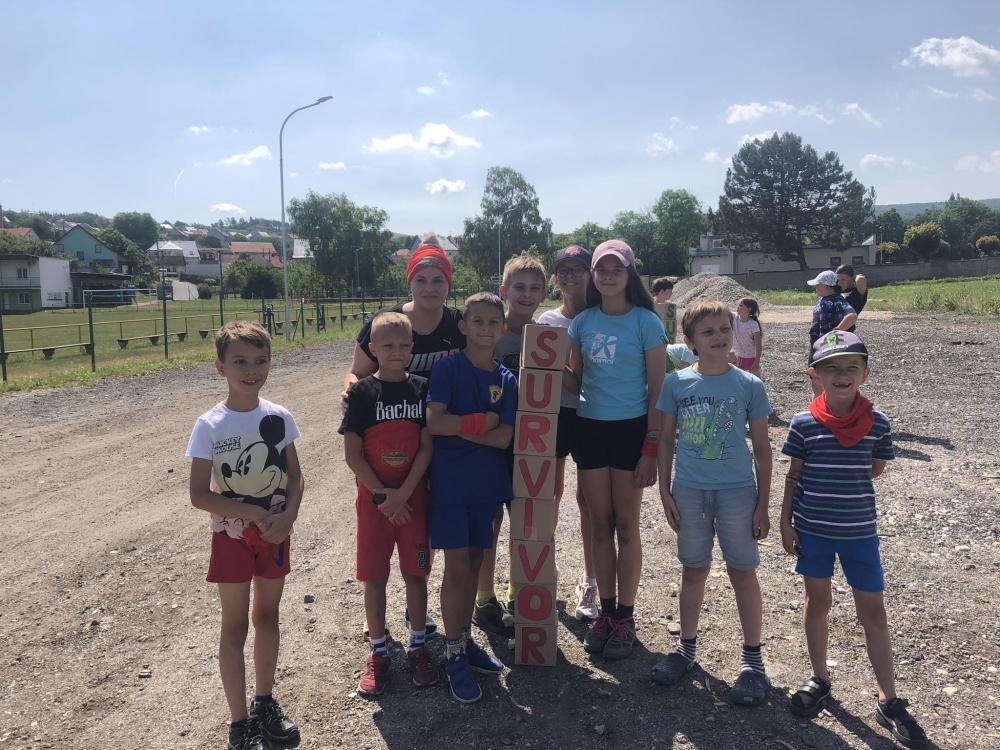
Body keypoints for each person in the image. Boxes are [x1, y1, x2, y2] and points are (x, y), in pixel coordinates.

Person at [779, 331, 928, 748]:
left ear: (865, 374)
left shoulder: (878, 423)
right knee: (817, 602)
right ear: (815, 375)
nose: (841, 374)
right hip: (813, 531)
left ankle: (888, 698)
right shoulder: (803, 423)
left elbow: (875, 468)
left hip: (860, 533)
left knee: (873, 612)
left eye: (850, 367)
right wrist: (786, 521)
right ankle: (819, 678)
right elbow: (794, 475)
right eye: (831, 368)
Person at [186, 321, 304, 750]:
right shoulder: (209, 425)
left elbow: (295, 476)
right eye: (240, 362)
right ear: (220, 366)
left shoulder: (279, 417)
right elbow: (199, 495)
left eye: (260, 361)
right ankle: (240, 724)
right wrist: (252, 512)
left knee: (267, 617)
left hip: (274, 534)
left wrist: (288, 517)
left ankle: (264, 703)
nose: (251, 371)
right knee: (234, 625)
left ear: (270, 362)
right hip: (232, 537)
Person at [652, 300, 773, 706]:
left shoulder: (749, 385)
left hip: (738, 492)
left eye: (724, 329)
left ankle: (753, 663)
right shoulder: (676, 383)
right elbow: (666, 441)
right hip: (690, 491)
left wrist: (763, 504)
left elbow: (762, 449)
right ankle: (686, 650)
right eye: (708, 332)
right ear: (690, 342)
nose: (719, 337)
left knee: (742, 572)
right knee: (693, 570)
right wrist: (665, 490)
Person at [344, 236, 462, 635]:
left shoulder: (457, 325)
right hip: (389, 436)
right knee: (382, 528)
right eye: (421, 279)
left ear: (448, 283)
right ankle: (376, 616)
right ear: (409, 282)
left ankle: (416, 608)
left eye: (438, 279)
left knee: (421, 524)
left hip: (436, 438)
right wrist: (351, 393)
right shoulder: (387, 323)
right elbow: (356, 372)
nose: (430, 287)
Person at [566, 239, 667, 659]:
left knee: (626, 526)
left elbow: (659, 390)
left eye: (617, 269)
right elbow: (574, 380)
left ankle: (625, 616)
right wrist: (537, 368)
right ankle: (605, 613)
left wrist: (650, 448)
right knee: (598, 524)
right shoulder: (581, 323)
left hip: (630, 432)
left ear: (629, 275)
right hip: (589, 430)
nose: (608, 276)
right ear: (593, 275)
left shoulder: (647, 322)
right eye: (601, 269)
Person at [426, 293, 517, 703]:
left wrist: (462, 427)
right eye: (477, 321)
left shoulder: (507, 380)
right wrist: (481, 422)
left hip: (487, 484)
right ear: (463, 326)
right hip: (450, 483)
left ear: (503, 328)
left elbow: (504, 438)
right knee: (458, 568)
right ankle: (453, 653)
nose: (485, 328)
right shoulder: (448, 368)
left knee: (478, 561)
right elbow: (435, 423)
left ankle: (464, 640)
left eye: (493, 322)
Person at [341, 312, 436, 697]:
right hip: (374, 504)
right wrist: (383, 495)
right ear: (373, 349)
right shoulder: (362, 393)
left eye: (403, 345)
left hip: (414, 500)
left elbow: (427, 447)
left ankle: (418, 647)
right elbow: (352, 455)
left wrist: (404, 493)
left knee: (416, 574)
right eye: (387, 346)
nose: (396, 352)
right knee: (375, 577)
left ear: (412, 347)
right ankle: (378, 652)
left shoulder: (422, 388)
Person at [472, 254, 547, 637]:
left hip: (533, 442)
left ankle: (520, 592)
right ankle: (483, 597)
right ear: (504, 290)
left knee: (526, 520)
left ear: (544, 294)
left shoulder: (548, 337)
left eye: (534, 288)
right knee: (490, 520)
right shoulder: (489, 330)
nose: (526, 294)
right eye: (519, 287)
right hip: (490, 442)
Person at [536, 245, 600, 621]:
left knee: (588, 499)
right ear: (555, 277)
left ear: (590, 274)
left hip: (594, 413)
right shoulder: (547, 320)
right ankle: (544, 569)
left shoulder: (602, 318)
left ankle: (590, 580)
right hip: (554, 413)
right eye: (564, 270)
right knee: (549, 495)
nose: (571, 276)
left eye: (579, 268)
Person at [807, 270, 857, 396]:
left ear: (826, 286)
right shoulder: (822, 299)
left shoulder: (838, 300)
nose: (815, 287)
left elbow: (851, 316)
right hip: (816, 343)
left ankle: (831, 402)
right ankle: (818, 403)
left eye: (817, 285)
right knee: (815, 375)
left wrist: (836, 331)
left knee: (828, 376)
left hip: (829, 344)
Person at [732, 297, 763, 377]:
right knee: (738, 381)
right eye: (738, 305)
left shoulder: (753, 324)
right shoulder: (734, 317)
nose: (738, 307)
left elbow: (758, 345)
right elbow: (723, 311)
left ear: (749, 309)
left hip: (750, 358)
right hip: (736, 358)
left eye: (741, 305)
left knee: (755, 381)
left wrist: (757, 361)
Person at [836, 264, 868, 331]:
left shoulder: (858, 293)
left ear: (852, 278)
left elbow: (861, 279)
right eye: (838, 280)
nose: (839, 283)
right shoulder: (839, 290)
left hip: (846, 330)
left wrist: (855, 277)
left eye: (843, 279)